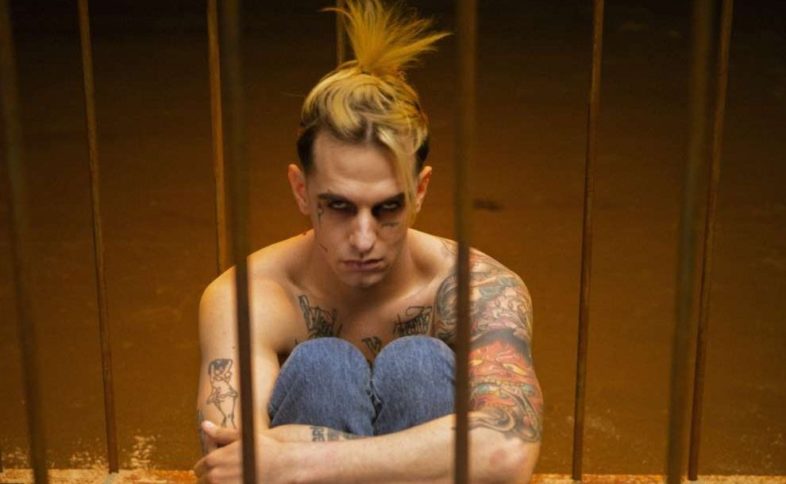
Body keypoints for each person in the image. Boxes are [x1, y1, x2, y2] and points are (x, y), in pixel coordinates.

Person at [193, 1, 543, 482]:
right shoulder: (248, 296)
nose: (363, 239)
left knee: (420, 363)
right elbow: (229, 465)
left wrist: (293, 458)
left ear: (420, 190)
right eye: (339, 206)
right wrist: (431, 453)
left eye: (387, 208)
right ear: (301, 190)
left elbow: (507, 453)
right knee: (323, 366)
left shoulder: (478, 288)